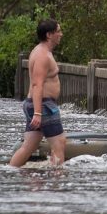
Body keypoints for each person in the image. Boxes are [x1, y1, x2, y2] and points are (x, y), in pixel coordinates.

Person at [10, 19, 66, 167]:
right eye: (58, 31)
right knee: (59, 144)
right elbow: (37, 84)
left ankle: (10, 171)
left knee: (28, 147)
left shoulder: (42, 51)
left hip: (37, 105)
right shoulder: (42, 55)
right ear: (49, 35)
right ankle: (57, 182)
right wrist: (38, 113)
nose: (61, 34)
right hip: (43, 105)